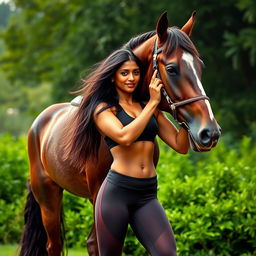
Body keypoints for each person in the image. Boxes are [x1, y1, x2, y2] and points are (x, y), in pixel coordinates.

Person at [66, 48, 189, 256]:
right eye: (124, 73)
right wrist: (152, 103)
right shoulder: (104, 109)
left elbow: (180, 145)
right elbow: (124, 137)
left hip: (147, 195)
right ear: (113, 77)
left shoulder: (149, 107)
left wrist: (185, 115)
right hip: (116, 194)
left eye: (135, 72)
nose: (131, 78)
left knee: (167, 253)